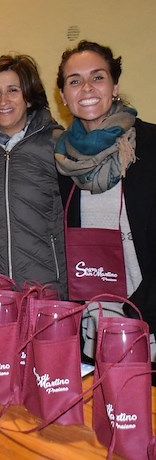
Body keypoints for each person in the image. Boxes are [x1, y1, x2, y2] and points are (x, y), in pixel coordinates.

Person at [55, 40, 156, 362]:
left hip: (147, 322)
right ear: (63, 96)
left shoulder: (151, 145)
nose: (86, 88)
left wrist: (139, 309)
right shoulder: (61, 159)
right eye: (74, 81)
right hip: (89, 325)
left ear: (115, 86)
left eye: (97, 77)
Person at [0, 54, 67, 297]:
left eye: (13, 90)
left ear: (29, 97)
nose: (3, 100)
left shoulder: (58, 144)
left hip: (46, 286)